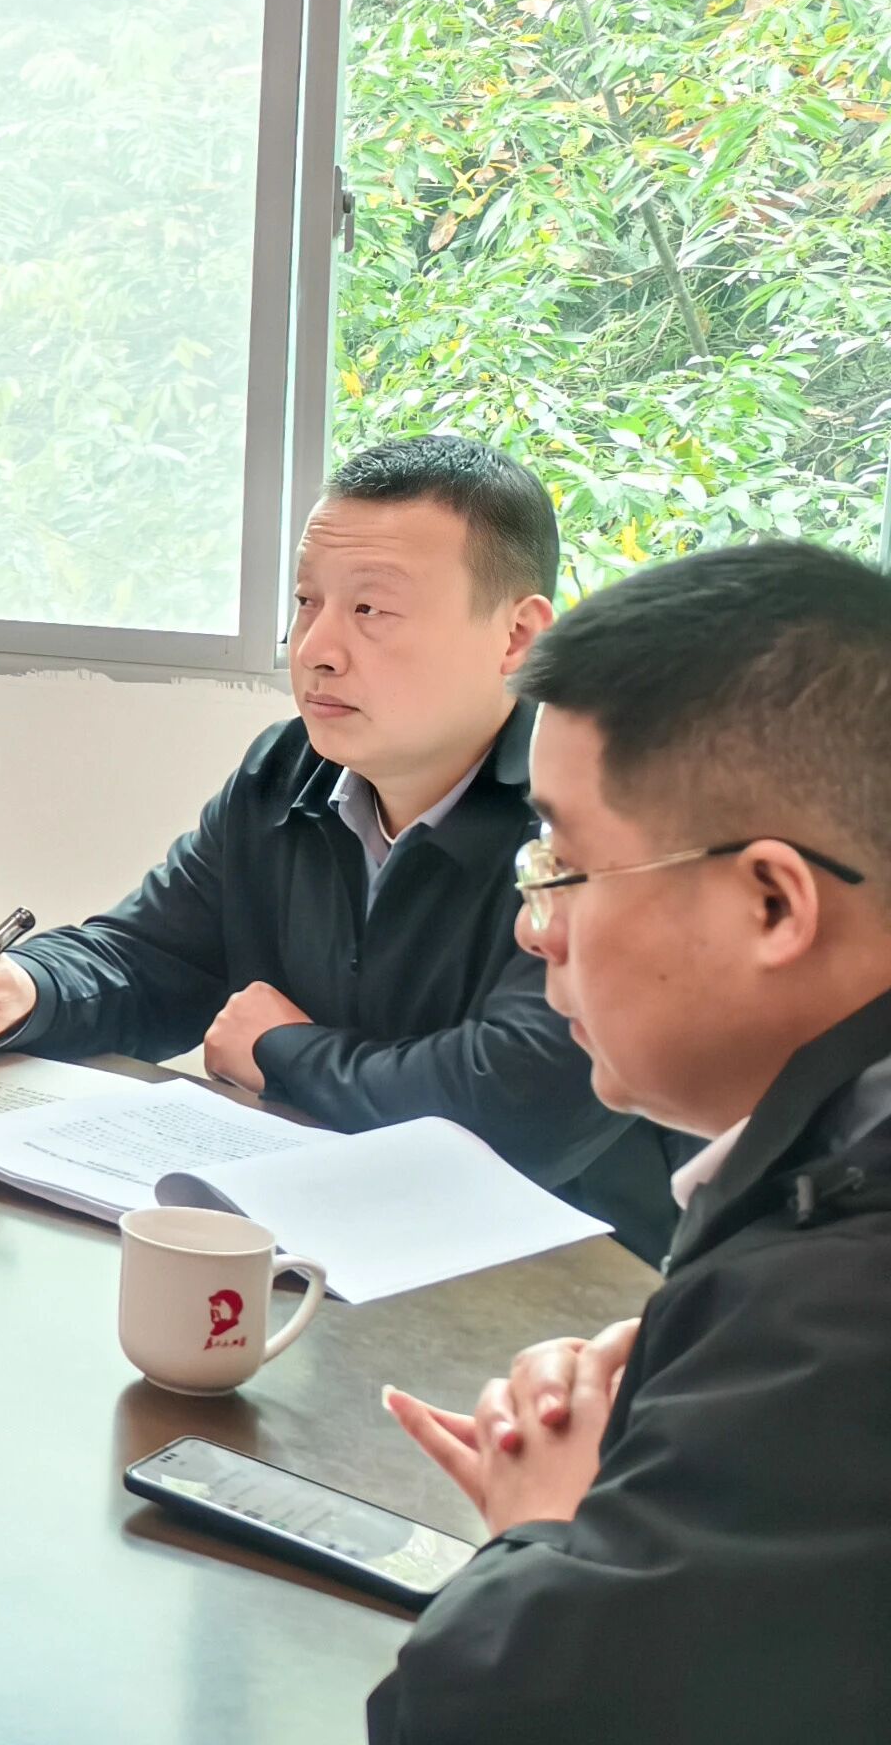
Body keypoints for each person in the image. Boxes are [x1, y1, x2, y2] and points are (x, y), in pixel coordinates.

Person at [0, 438, 680, 1257]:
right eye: (308, 602)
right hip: (319, 1244)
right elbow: (150, 958)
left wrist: (281, 1051)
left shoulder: (600, 808)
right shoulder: (288, 769)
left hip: (550, 1279)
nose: (315, 650)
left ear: (517, 636)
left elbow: (517, 1101)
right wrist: (22, 986)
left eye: (371, 611)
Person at [363, 540, 891, 1740]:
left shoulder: (838, 1309)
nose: (534, 926)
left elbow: (482, 1714)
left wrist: (551, 1531)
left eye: (565, 864)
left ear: (771, 902)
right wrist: (692, 1380)